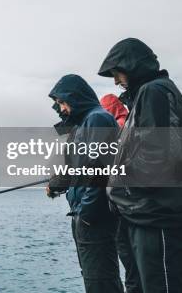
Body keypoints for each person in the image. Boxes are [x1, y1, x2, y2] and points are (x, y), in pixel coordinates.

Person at [98, 38, 182, 293]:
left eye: (117, 72)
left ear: (131, 65)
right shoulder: (149, 95)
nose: (115, 81)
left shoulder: (155, 91)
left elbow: (155, 161)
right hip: (151, 219)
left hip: (161, 223)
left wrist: (116, 186)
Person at [46, 74, 123, 293]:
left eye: (62, 102)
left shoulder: (97, 119)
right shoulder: (83, 124)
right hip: (83, 214)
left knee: (101, 280)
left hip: (93, 217)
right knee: (93, 277)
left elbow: (99, 170)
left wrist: (88, 213)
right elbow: (78, 168)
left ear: (75, 97)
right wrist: (56, 185)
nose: (61, 108)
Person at [100, 93, 142, 293]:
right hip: (132, 204)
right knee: (136, 265)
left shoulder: (118, 127)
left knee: (131, 265)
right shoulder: (130, 121)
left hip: (124, 206)